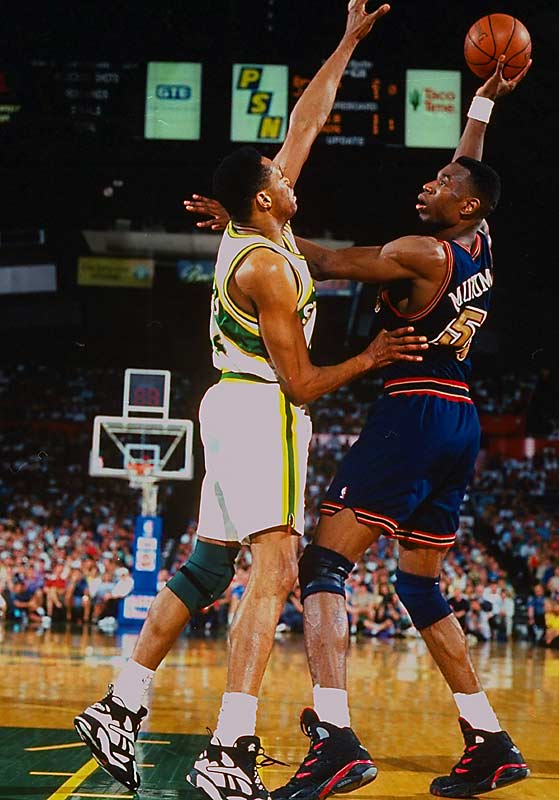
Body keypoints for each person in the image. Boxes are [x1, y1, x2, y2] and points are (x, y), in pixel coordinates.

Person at [73, 4, 427, 799]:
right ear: (265, 200)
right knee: (276, 569)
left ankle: (120, 702)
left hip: (228, 406)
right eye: (274, 176)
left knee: (205, 567)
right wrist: (370, 355)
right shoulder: (267, 267)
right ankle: (228, 747)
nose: (286, 171)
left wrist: (344, 42)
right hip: (264, 406)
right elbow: (301, 383)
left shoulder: (260, 226)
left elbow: (305, 121)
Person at [188, 55, 531, 799]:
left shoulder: (417, 252)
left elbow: (323, 260)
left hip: (411, 411)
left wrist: (253, 221)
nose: (428, 183)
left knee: (321, 567)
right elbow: (470, 165)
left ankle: (336, 734)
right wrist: (481, 103)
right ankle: (490, 739)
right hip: (461, 419)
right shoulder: (482, 242)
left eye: (440, 186)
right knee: (419, 585)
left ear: (466, 207)